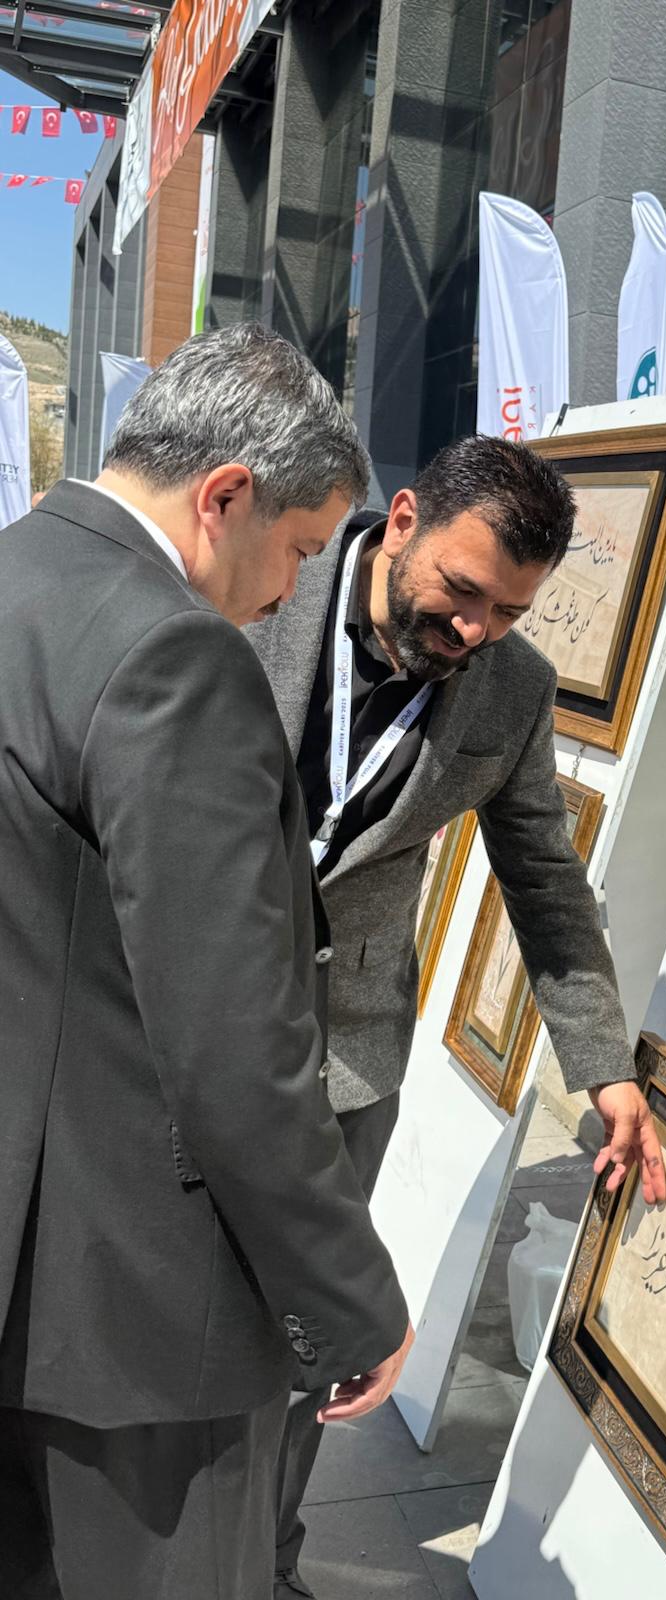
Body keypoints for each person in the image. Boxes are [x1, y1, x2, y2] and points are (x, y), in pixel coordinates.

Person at [0, 325, 412, 1600]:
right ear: (225, 494)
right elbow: (235, 1042)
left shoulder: (16, 576)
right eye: (299, 548)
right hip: (137, 1319)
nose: (293, 591)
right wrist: (350, 1300)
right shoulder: (176, 654)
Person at [247, 431, 666, 1599]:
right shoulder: (264, 584)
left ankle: (265, 1561)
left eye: (511, 612)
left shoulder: (512, 691)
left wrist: (604, 1063)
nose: (477, 629)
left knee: (310, 1341)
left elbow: (544, 879)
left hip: (345, 1056)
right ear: (403, 522)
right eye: (464, 591)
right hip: (182, 1021)